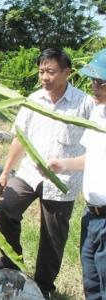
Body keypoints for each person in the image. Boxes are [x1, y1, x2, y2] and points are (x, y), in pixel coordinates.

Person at [0, 48, 94, 299]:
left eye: (51, 71)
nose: (45, 77)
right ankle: (11, 261)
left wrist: (71, 164)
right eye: (42, 71)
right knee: (6, 208)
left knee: (53, 236)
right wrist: (4, 173)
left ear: (67, 72)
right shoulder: (33, 99)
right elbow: (19, 138)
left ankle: (44, 286)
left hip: (62, 181)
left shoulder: (84, 103)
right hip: (29, 173)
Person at [48, 49, 106, 300]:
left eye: (100, 82)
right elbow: (93, 157)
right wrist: (64, 165)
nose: (93, 86)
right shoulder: (97, 113)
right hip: (91, 215)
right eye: (92, 80)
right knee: (92, 284)